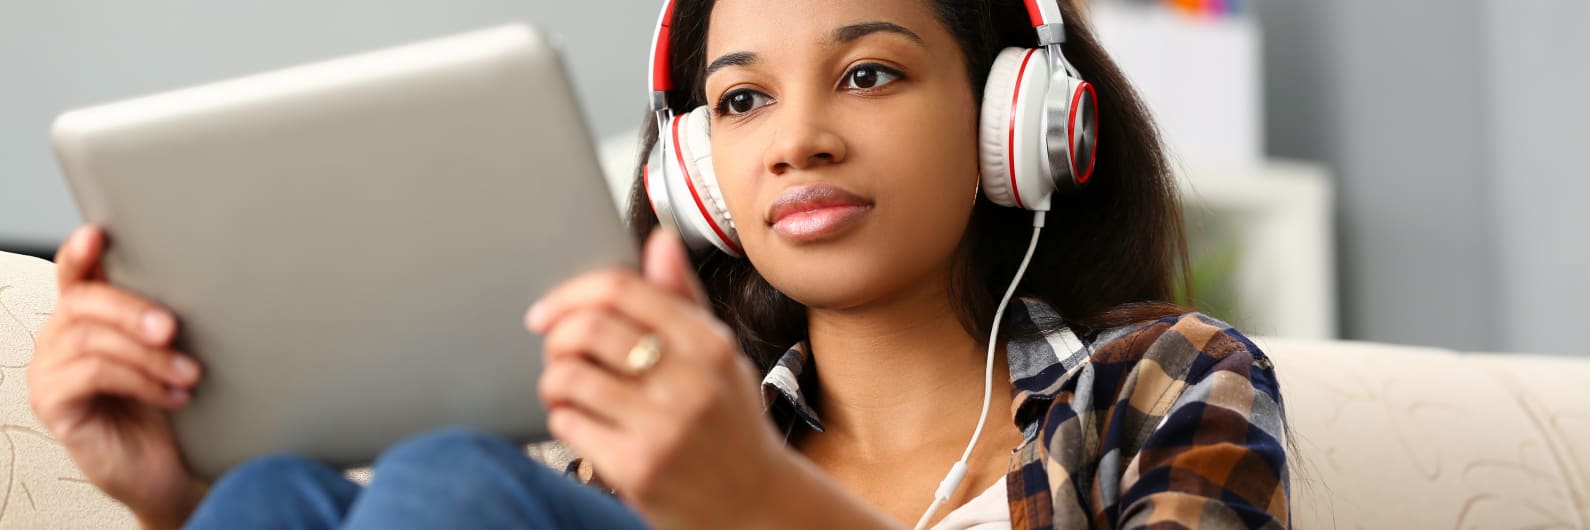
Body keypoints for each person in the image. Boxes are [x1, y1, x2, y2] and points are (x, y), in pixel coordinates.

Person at [27, 0, 1291, 528]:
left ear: (1016, 119)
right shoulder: (646, 445)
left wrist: (752, 498)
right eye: (738, 104)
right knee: (272, 494)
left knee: (453, 480)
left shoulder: (1165, 381)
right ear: (694, 174)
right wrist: (176, 499)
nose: (797, 139)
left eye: (869, 73)